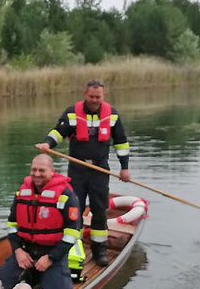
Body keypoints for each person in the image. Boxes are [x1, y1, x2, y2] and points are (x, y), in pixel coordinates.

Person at [35, 79, 130, 267]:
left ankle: (99, 250)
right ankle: (72, 250)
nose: (94, 100)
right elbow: (58, 132)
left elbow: (121, 142)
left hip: (100, 170)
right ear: (85, 94)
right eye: (91, 96)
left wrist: (124, 167)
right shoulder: (72, 112)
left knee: (99, 211)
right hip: (77, 171)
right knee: (73, 211)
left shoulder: (112, 115)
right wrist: (47, 143)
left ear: (103, 96)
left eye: (98, 97)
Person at [0, 154, 83, 289]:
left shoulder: (66, 196)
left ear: (51, 171)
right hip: (26, 252)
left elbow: (72, 233)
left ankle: (42, 277)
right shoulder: (22, 193)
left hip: (53, 253)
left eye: (41, 170)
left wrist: (50, 258)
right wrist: (17, 251)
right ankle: (32, 274)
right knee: (2, 284)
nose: (36, 174)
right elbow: (12, 225)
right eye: (33, 170)